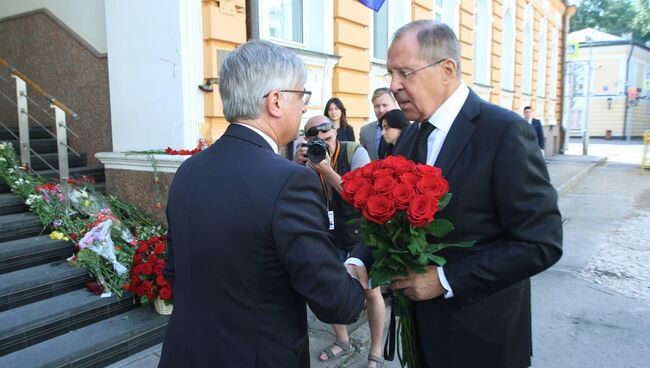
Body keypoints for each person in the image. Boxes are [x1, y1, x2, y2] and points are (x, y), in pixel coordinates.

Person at [347, 20, 563, 368]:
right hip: (422, 338)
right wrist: (359, 260)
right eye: (390, 73)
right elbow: (391, 219)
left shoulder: (504, 132)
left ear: (447, 70)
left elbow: (541, 242)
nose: (394, 86)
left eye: (404, 72)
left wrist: (446, 280)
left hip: (483, 341)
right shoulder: (410, 135)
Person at [159, 40, 366, 368]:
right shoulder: (291, 180)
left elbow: (174, 274)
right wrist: (357, 269)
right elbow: (337, 304)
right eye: (301, 96)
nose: (302, 108)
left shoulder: (188, 170)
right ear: (275, 101)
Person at [294, 115, 386, 368]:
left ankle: (375, 353)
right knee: (331, 289)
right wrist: (297, 165)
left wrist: (327, 169)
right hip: (327, 233)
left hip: (361, 232)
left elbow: (360, 197)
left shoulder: (356, 152)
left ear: (335, 132)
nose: (322, 145)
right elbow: (296, 195)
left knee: (370, 289)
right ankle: (342, 339)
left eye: (327, 139)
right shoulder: (306, 158)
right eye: (316, 141)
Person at [360, 88, 399, 160]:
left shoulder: (405, 128)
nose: (381, 110)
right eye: (377, 106)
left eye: (385, 105)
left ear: (394, 104)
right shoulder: (365, 131)